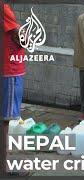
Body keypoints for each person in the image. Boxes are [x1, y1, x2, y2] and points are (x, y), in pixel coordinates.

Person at [1, 4, 27, 176]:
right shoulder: (3, 8)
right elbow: (22, 39)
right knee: (5, 120)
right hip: (10, 72)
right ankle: (4, 166)